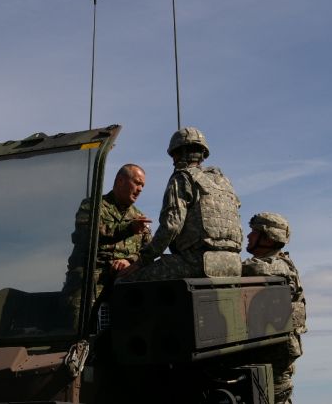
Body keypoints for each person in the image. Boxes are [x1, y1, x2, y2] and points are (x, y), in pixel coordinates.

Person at [120, 127, 242, 281]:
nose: (173, 160)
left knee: (125, 280)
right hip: (233, 264)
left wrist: (142, 259)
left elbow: (171, 226)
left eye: (174, 154)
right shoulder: (224, 182)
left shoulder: (182, 178)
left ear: (181, 153)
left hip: (197, 262)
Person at [63, 164, 152, 317]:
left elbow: (149, 250)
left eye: (142, 186)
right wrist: (128, 228)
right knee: (78, 322)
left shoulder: (139, 217)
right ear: (120, 181)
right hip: (90, 281)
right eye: (137, 183)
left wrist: (130, 260)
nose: (140, 189)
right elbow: (88, 234)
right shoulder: (92, 205)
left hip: (123, 283)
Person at [241, 212, 307, 404]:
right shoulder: (280, 264)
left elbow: (249, 269)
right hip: (272, 350)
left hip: (276, 354)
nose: (248, 236)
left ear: (268, 239)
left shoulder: (277, 266)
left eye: (254, 232)